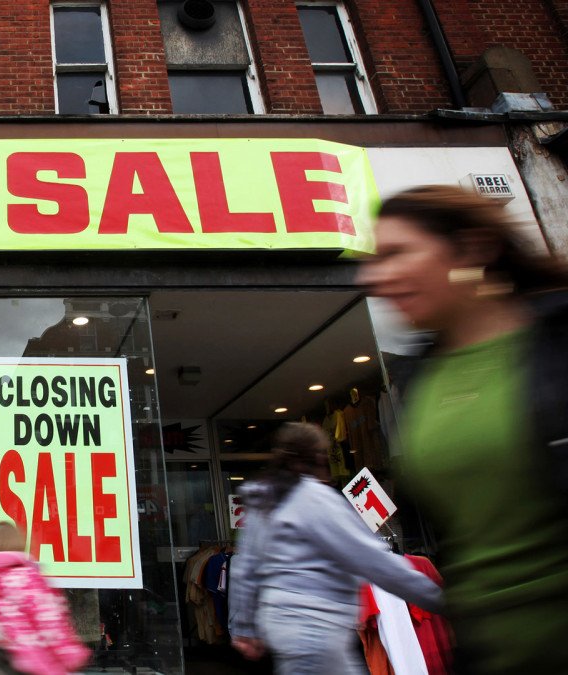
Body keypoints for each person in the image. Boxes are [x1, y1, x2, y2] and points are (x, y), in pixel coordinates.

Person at [358, 185, 568, 674]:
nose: (374, 276)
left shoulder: (556, 345)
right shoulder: (422, 377)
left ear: (472, 249)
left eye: (397, 253)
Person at [227, 422, 442, 675]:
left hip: (282, 625)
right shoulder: (315, 498)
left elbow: (245, 569)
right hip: (315, 627)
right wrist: (440, 598)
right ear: (318, 456)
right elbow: (372, 559)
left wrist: (244, 627)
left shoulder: (265, 501)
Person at [0, 522, 90, 675]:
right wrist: (72, 655)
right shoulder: (25, 578)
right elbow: (50, 623)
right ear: (19, 543)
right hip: (33, 664)